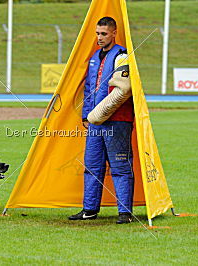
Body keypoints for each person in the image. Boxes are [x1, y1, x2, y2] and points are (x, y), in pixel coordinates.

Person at [68, 17, 135, 224]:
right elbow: (89, 89)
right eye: (97, 33)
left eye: (104, 33)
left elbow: (124, 90)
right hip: (96, 122)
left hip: (118, 121)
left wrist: (102, 113)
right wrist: (86, 115)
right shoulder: (95, 57)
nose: (99, 37)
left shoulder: (123, 55)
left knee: (120, 166)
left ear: (114, 33)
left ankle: (125, 213)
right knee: (92, 165)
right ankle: (89, 209)